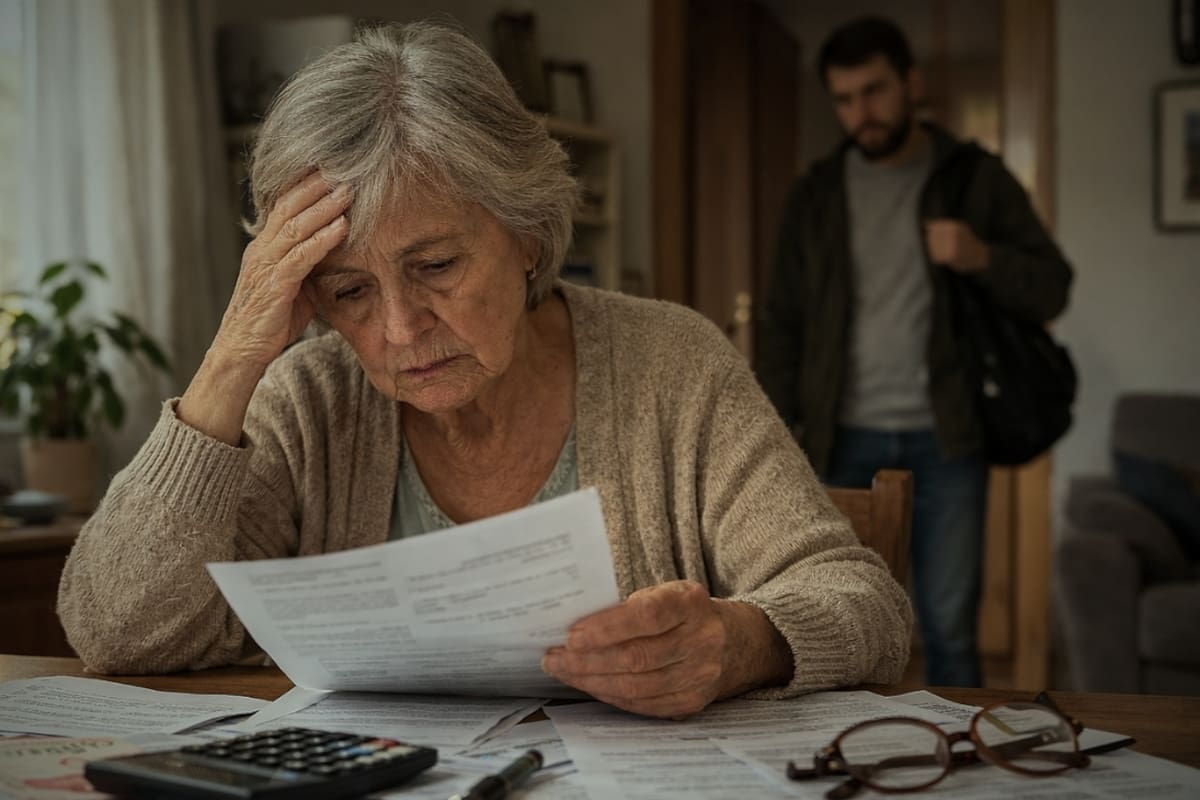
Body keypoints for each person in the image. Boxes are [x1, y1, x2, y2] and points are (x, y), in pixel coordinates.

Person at [57, 22, 911, 718]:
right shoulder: (309, 401)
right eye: (348, 289)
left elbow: (862, 601)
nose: (399, 329)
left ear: (526, 231)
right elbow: (115, 630)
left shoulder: (671, 366)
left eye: (435, 267)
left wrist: (741, 643)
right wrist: (233, 358)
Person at [756, 17, 1072, 688]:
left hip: (949, 437)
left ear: (912, 84)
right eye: (844, 100)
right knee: (837, 619)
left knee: (951, 626)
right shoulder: (815, 196)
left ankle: (963, 779)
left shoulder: (973, 180)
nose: (860, 114)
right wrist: (782, 437)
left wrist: (980, 255)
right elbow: (782, 324)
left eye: (874, 92)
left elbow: (1052, 286)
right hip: (840, 438)